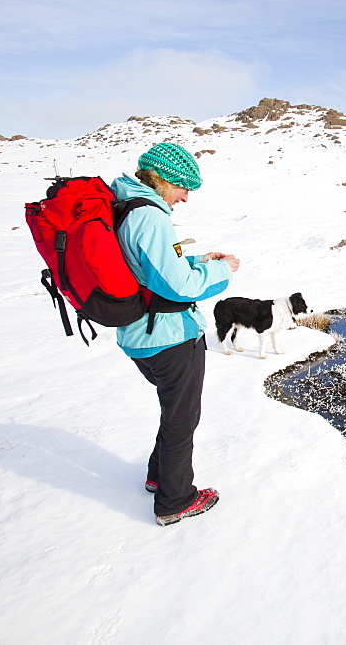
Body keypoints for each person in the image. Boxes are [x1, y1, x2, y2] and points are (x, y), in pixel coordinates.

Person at [109, 142, 239, 526]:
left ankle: (158, 477)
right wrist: (223, 271)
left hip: (141, 334)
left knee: (174, 411)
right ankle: (175, 500)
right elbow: (179, 286)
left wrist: (199, 259)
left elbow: (147, 266)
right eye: (185, 188)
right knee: (182, 419)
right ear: (165, 179)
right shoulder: (150, 217)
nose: (186, 197)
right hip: (167, 337)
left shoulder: (127, 207)